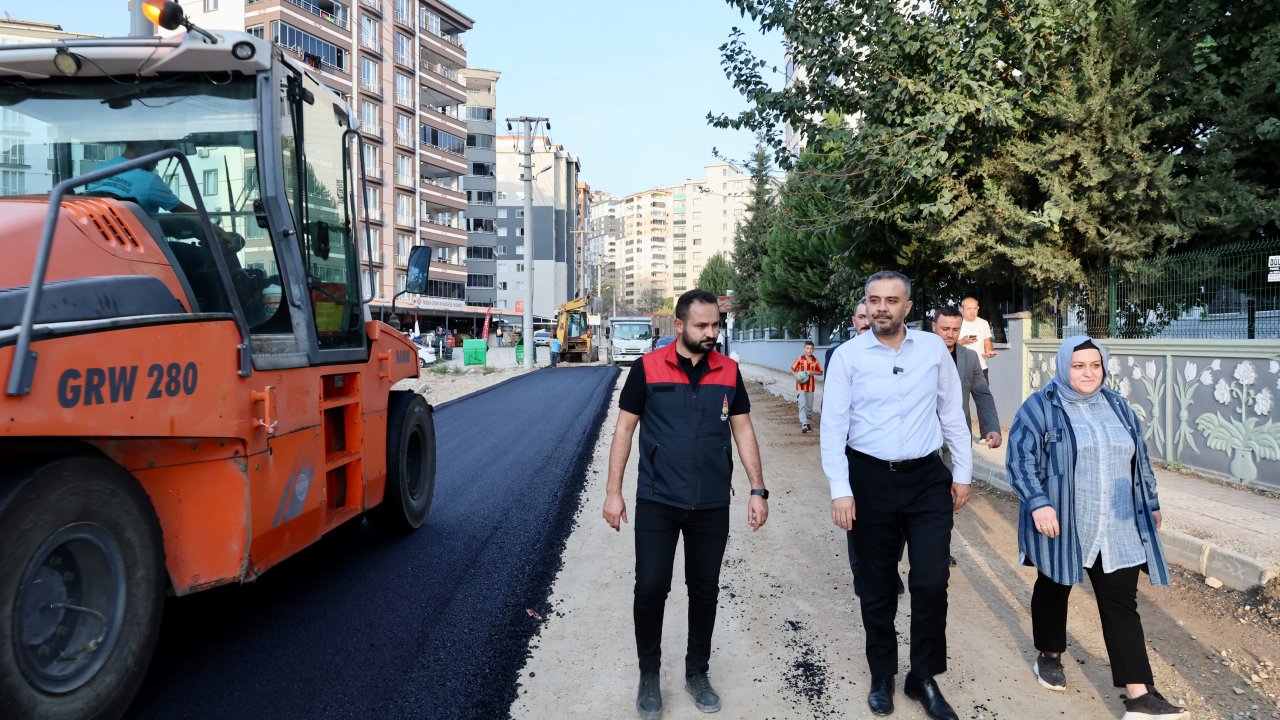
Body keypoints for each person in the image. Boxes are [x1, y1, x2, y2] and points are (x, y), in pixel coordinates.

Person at [603, 288, 768, 720]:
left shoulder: (729, 371)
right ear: (679, 326)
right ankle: (649, 675)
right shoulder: (647, 369)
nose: (711, 333)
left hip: (711, 502)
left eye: (716, 325)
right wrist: (613, 492)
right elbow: (623, 432)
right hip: (658, 499)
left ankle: (697, 672)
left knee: (705, 590)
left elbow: (744, 431)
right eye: (702, 326)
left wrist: (757, 488)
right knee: (652, 587)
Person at [1006, 336, 1186, 720]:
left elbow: (1140, 459)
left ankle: (1139, 696)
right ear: (1063, 367)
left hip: (1117, 522)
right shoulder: (1040, 408)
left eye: (1095, 365)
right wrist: (1038, 503)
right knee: (1055, 585)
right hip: (1065, 520)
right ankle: (1049, 654)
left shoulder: (1118, 406)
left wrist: (1151, 503)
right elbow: (1021, 460)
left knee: (1121, 601)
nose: (1088, 373)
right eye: (1078, 365)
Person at [820, 270, 972, 720]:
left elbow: (950, 411)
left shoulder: (930, 350)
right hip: (869, 480)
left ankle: (922, 676)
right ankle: (881, 673)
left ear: (907, 307)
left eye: (891, 300)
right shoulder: (848, 357)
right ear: (864, 305)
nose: (881, 307)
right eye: (873, 299)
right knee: (878, 584)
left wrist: (962, 474)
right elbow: (833, 427)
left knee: (930, 581)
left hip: (927, 479)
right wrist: (841, 490)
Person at [932, 306, 1001, 448]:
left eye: (955, 329)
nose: (950, 334)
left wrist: (992, 427)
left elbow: (983, 395)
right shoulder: (917, 355)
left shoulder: (970, 357)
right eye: (945, 329)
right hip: (924, 436)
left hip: (958, 435)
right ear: (934, 327)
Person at [85, 141, 198, 215]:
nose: (158, 160)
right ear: (150, 145)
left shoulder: (98, 170)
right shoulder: (149, 181)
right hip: (143, 245)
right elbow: (193, 218)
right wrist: (216, 231)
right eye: (160, 150)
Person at [959, 297, 997, 381]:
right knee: (962, 394)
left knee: (984, 393)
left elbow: (987, 341)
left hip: (981, 368)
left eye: (974, 308)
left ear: (978, 308)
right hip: (961, 368)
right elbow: (948, 345)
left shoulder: (983, 323)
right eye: (969, 308)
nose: (972, 311)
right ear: (962, 309)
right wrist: (963, 341)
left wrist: (988, 351)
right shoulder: (956, 323)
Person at [825, 300, 869, 372]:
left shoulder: (890, 351)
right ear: (854, 321)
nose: (866, 322)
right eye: (861, 317)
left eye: (870, 317)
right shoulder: (835, 353)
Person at [790, 340, 823, 433]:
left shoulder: (815, 361)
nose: (809, 350)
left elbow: (821, 372)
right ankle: (804, 423)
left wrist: (812, 372)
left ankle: (807, 422)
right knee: (802, 403)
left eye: (811, 348)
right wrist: (797, 376)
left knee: (809, 406)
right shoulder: (800, 359)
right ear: (804, 349)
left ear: (814, 350)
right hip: (800, 385)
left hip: (811, 387)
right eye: (807, 348)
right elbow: (792, 369)